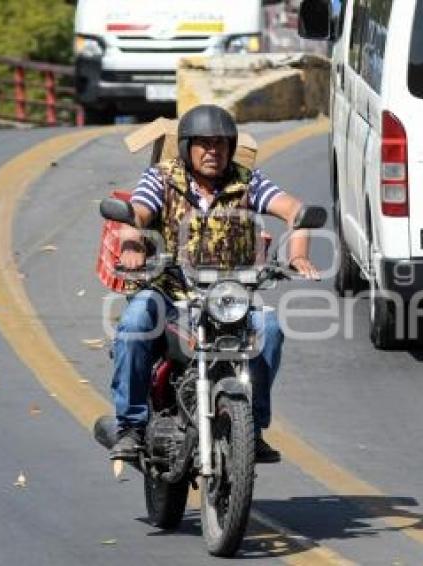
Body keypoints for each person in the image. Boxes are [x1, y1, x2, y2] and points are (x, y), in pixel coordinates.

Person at [109, 104, 319, 464]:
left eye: (221, 144)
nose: (213, 152)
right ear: (188, 147)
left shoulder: (248, 180)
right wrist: (132, 248)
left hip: (229, 298)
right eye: (204, 144)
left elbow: (296, 212)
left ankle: (253, 427)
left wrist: (298, 254)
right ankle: (130, 426)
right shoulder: (161, 179)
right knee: (134, 323)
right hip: (169, 292)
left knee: (270, 327)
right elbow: (136, 214)